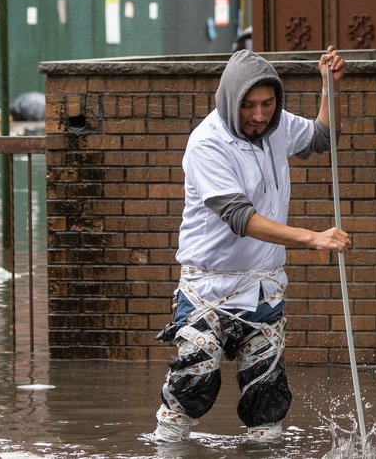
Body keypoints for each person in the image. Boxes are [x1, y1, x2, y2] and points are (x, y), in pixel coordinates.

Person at [151, 46, 353, 444]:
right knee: (192, 387)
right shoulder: (207, 143)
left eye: (267, 104)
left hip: (263, 287)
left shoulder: (277, 126)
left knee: (267, 398)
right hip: (208, 287)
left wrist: (329, 89)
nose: (259, 116)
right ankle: (166, 448)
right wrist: (313, 238)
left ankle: (266, 448)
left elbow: (321, 138)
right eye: (248, 106)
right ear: (230, 101)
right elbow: (240, 218)